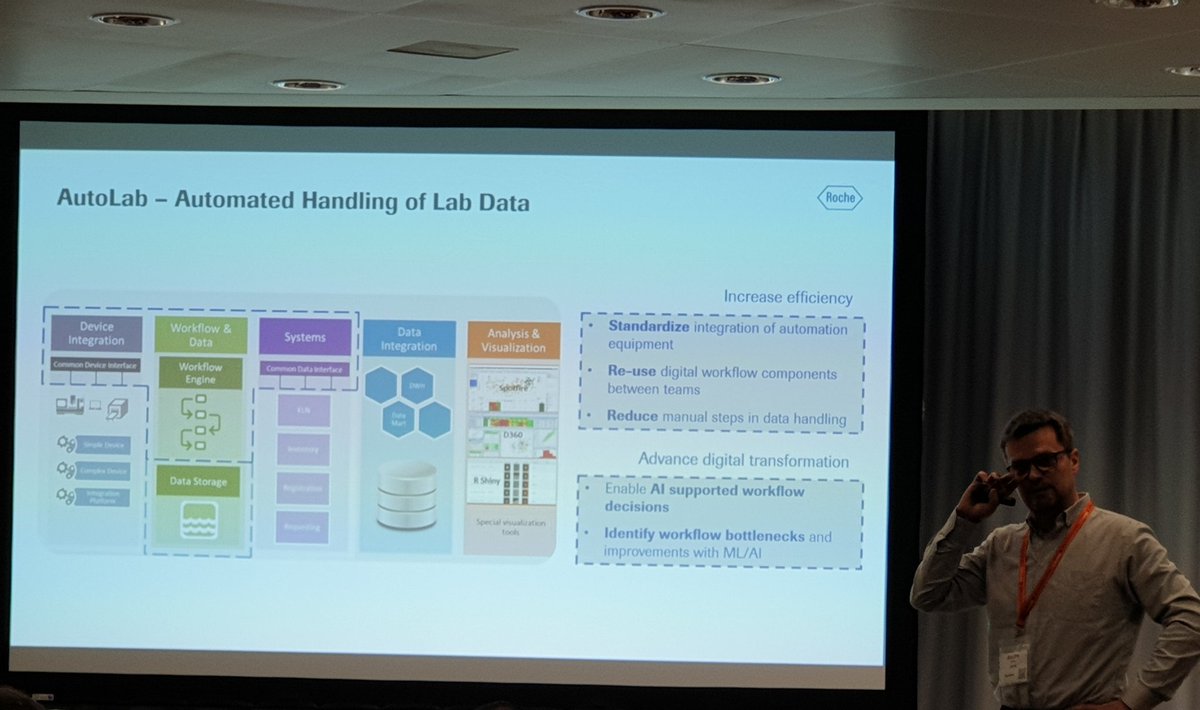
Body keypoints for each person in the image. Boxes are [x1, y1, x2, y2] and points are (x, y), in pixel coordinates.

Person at [911, 409, 1200, 710]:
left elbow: (1191, 619)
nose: (1034, 475)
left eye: (1045, 461)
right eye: (1020, 467)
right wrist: (964, 520)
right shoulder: (1001, 546)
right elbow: (927, 595)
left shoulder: (1124, 539)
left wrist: (1131, 704)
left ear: (1073, 460)